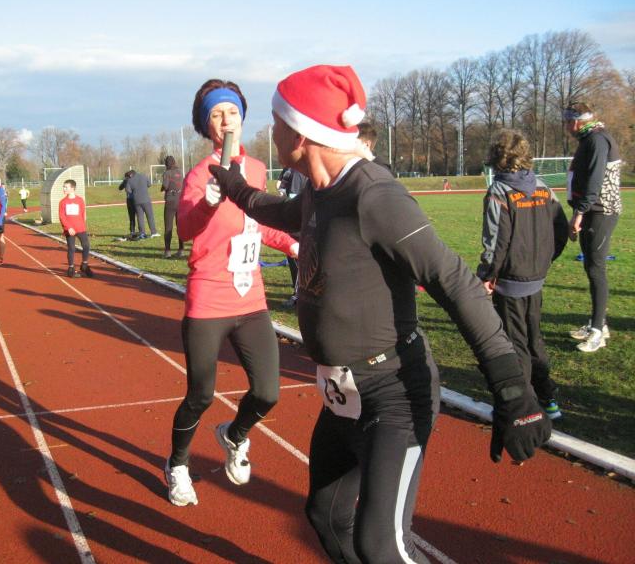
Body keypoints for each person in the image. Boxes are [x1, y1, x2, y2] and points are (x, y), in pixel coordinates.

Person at [209, 64, 551, 562]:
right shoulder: (320, 192)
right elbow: (273, 209)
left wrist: (513, 391)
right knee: (327, 516)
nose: (271, 130)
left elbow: (455, 283)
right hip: (342, 395)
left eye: (277, 121)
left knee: (381, 546)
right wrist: (232, 184)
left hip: (394, 394)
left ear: (301, 134)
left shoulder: (373, 194)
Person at [164, 78, 299, 508]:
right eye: (217, 114)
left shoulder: (256, 170)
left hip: (251, 300)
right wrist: (207, 202)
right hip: (209, 299)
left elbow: (261, 226)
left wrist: (295, 245)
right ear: (207, 125)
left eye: (232, 112)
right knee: (201, 395)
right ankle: (178, 464)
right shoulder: (198, 174)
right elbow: (186, 229)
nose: (226, 120)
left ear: (242, 119)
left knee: (268, 392)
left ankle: (234, 434)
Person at [478, 130, 568, 420]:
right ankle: (548, 399)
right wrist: (544, 259)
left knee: (516, 344)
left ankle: (524, 406)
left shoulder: (499, 192)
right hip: (535, 277)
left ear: (497, 157)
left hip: (510, 281)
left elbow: (495, 241)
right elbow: (561, 229)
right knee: (534, 340)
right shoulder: (543, 188)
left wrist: (486, 275)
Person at [564, 102, 622, 353]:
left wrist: (579, 213)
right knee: (591, 266)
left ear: (577, 121)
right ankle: (599, 323)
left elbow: (595, 181)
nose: (566, 127)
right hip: (592, 211)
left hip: (601, 211)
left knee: (596, 269)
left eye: (567, 122)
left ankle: (598, 332)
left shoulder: (597, 140)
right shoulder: (589, 139)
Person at [277, 166, 307, 309]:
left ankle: (297, 296)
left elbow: (293, 198)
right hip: (306, 222)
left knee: (296, 261)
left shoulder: (297, 172)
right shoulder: (303, 169)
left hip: (297, 225)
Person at [58, 179, 93, 278]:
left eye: (66, 187)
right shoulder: (63, 202)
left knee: (86, 246)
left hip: (80, 228)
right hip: (69, 229)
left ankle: (84, 265)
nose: (64, 188)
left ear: (72, 188)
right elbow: (62, 216)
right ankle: (71, 268)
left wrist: (83, 224)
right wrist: (68, 228)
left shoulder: (80, 200)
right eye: (64, 187)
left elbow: (83, 213)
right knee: (71, 248)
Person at [160, 155, 185, 258]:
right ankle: (181, 249)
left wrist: (162, 189)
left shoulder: (167, 173)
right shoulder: (180, 172)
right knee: (180, 226)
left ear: (166, 164)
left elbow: (165, 186)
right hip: (180, 200)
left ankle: (167, 251)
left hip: (170, 201)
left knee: (168, 227)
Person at [128, 170, 159, 239]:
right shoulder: (143, 176)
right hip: (146, 200)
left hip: (136, 201)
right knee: (150, 216)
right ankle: (153, 232)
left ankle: (142, 232)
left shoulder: (130, 180)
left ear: (131, 175)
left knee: (140, 217)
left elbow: (128, 190)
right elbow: (149, 184)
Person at [118, 170, 140, 239]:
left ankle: (132, 231)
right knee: (138, 215)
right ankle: (140, 231)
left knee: (132, 216)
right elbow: (120, 188)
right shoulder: (135, 180)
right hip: (135, 200)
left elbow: (120, 188)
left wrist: (125, 181)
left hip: (130, 200)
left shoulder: (127, 180)